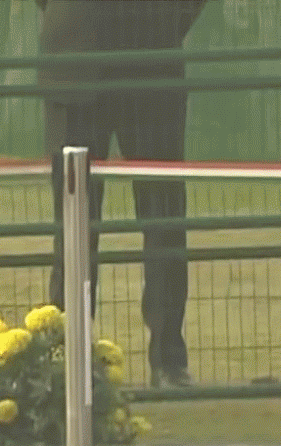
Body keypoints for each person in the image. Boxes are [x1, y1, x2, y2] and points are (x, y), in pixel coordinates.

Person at [38, 0, 206, 389]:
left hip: (151, 64)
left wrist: (164, 19)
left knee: (163, 217)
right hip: (74, 65)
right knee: (74, 223)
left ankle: (168, 360)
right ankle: (68, 357)